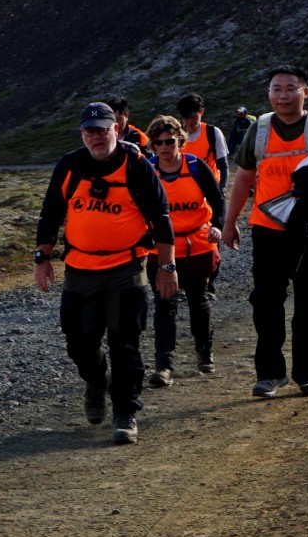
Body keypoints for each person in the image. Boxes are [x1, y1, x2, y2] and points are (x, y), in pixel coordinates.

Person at [35, 102, 177, 445]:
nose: (96, 137)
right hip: (80, 268)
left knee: (124, 341)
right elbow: (51, 211)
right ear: (82, 134)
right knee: (78, 341)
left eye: (102, 129)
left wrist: (168, 267)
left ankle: (125, 412)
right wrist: (42, 257)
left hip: (126, 267)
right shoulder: (70, 165)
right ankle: (97, 381)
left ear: (117, 128)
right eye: (89, 131)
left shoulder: (136, 166)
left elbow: (160, 217)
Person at [221, 66, 308, 397]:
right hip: (269, 229)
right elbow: (243, 177)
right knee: (266, 302)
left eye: (290, 88)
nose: (283, 95)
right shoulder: (260, 129)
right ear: (268, 93)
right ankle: (270, 374)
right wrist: (230, 222)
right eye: (276, 89)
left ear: (305, 92)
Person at [143, 116, 223, 385]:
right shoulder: (147, 170)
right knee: (164, 305)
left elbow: (217, 201)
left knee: (199, 301)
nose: (164, 147)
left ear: (180, 140)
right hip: (161, 248)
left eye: (169, 141)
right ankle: (164, 366)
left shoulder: (196, 166)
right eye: (158, 143)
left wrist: (219, 227)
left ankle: (205, 353)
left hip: (198, 244)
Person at [176, 93, 228, 190]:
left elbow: (223, 166)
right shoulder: (174, 137)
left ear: (201, 112)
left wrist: (222, 189)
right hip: (185, 190)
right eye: (186, 117)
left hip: (210, 189)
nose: (190, 121)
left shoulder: (213, 133)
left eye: (193, 116)